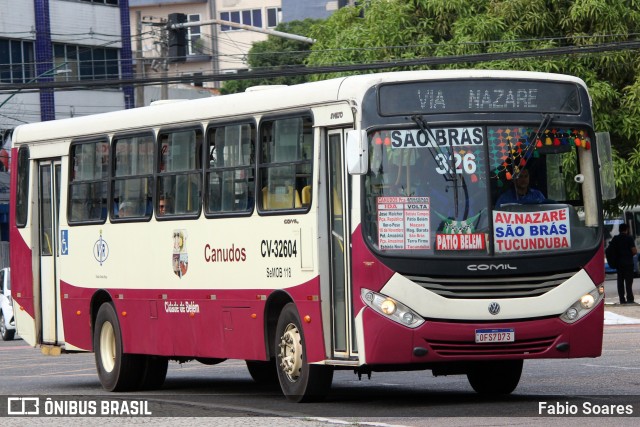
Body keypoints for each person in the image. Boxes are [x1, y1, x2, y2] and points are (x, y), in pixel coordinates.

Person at [608, 223, 637, 304]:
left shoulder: (615, 239)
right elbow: (634, 251)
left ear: (619, 230)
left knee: (620, 282)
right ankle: (630, 299)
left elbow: (610, 250)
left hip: (619, 264)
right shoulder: (629, 238)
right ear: (627, 230)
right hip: (628, 263)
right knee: (628, 282)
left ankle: (622, 299)